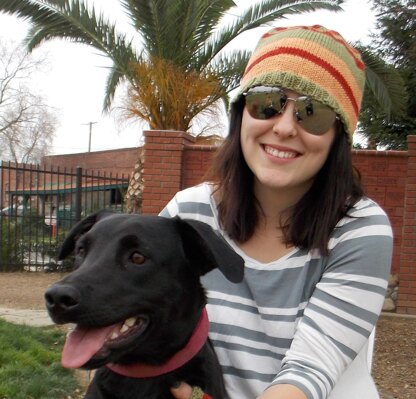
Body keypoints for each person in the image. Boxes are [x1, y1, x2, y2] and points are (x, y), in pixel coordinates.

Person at [161, 25, 393, 399]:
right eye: (266, 102)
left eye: (312, 113)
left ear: (338, 137)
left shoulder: (359, 230)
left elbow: (308, 371)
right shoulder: (188, 213)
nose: (284, 127)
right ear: (241, 116)